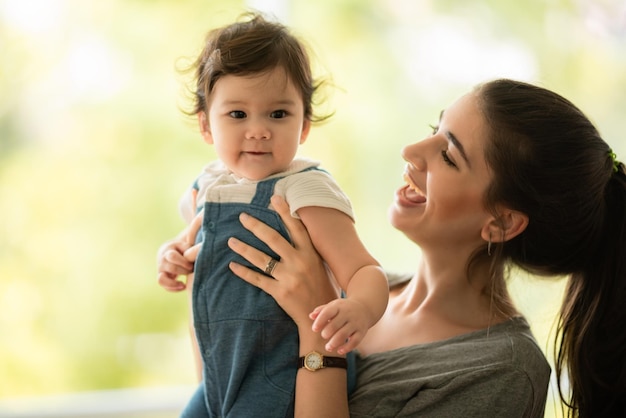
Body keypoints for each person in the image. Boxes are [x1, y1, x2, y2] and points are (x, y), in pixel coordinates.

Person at [216, 79, 626, 418]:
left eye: (448, 155)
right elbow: (220, 393)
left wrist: (318, 335)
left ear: (501, 223)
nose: (411, 152)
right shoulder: (350, 289)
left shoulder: (502, 373)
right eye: (435, 129)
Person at [156, 12, 388, 418]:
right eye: (238, 114)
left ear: (304, 126)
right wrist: (173, 253)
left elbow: (365, 270)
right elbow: (192, 239)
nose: (259, 130)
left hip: (284, 372)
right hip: (221, 372)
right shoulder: (208, 185)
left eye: (278, 114)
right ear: (205, 126)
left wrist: (360, 309)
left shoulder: (304, 188)